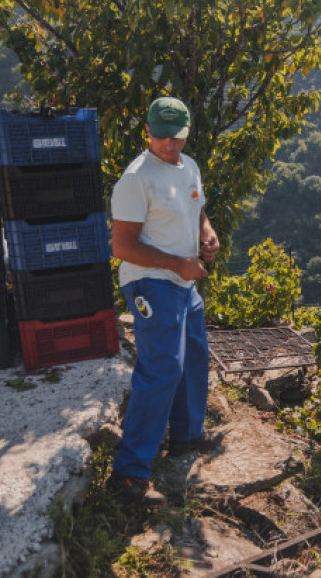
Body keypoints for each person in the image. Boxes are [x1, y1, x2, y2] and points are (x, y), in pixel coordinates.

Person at [107, 96, 220, 508]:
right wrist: (179, 264)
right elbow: (122, 246)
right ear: (148, 132)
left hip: (184, 282)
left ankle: (186, 436)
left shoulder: (188, 166)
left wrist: (207, 233)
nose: (169, 145)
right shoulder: (136, 179)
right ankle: (129, 473)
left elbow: (197, 208)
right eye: (161, 137)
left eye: (177, 138)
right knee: (162, 369)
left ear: (187, 134)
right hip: (151, 283)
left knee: (193, 357)